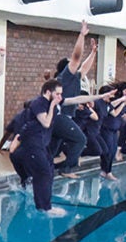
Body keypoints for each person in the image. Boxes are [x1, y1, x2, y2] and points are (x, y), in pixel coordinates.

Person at [10, 79, 65, 216]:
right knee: (43, 172)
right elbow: (46, 123)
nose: (60, 97)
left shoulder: (50, 102)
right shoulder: (39, 103)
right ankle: (44, 207)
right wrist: (52, 106)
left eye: (61, 94)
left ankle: (28, 185)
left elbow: (75, 99)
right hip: (33, 145)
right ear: (48, 92)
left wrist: (99, 97)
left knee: (49, 170)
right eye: (57, 94)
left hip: (39, 145)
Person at [49, 21, 94, 177]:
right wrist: (81, 35)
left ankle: (38, 172)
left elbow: (84, 67)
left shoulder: (75, 77)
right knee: (80, 140)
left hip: (62, 116)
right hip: (60, 116)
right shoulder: (65, 76)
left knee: (51, 150)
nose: (76, 66)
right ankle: (66, 169)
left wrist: (93, 53)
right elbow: (76, 57)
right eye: (72, 65)